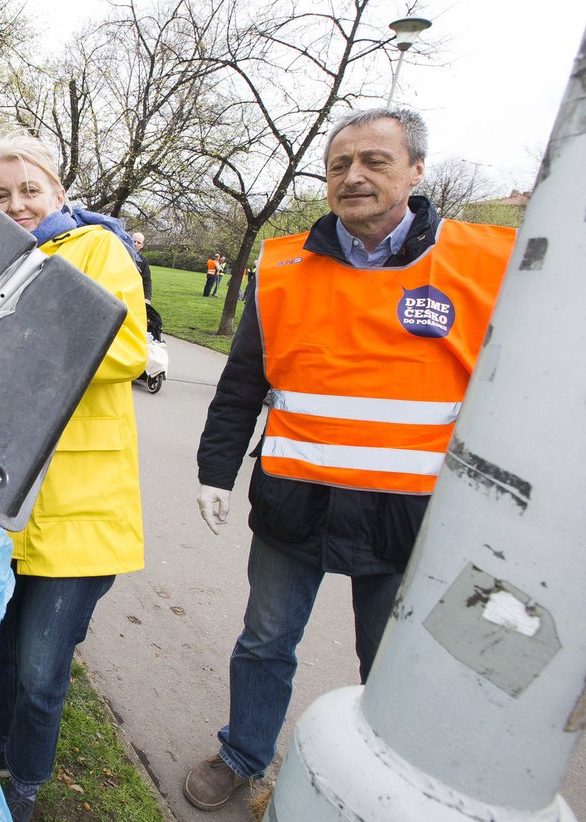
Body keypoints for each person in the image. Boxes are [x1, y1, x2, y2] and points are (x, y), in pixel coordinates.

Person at [183, 107, 515, 811]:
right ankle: (242, 754)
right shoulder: (282, 266)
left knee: (389, 666)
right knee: (265, 640)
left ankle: (377, 783)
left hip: (407, 518)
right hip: (293, 503)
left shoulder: (481, 264)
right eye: (339, 165)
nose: (353, 176)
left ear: (416, 172)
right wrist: (216, 470)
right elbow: (245, 381)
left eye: (374, 161)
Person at [0, 127, 147, 822]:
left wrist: (20, 337)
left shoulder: (97, 247)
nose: (15, 203)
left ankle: (24, 785)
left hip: (80, 502)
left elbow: (128, 348)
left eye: (29, 190)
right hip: (6, 494)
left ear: (59, 192)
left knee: (44, 672)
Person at [131, 231, 153, 303]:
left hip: (134, 294)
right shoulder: (121, 253)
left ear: (142, 245)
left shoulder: (143, 261)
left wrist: (147, 298)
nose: (135, 244)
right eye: (134, 241)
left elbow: (146, 280)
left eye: (138, 242)